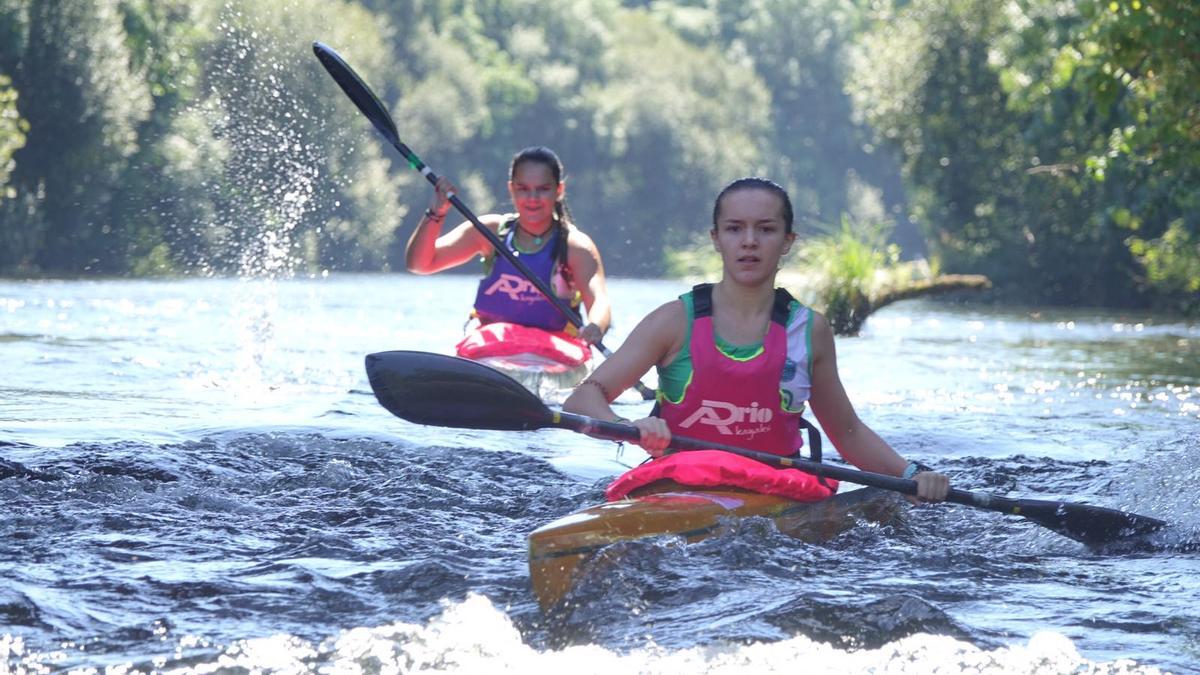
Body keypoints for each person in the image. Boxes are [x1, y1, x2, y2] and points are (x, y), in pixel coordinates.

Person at [563, 177, 950, 504]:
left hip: (775, 491)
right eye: (734, 229)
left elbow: (847, 433)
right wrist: (627, 424)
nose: (749, 241)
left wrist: (912, 474)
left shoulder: (809, 331)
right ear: (717, 239)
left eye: (765, 229)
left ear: (787, 241)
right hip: (677, 484)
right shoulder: (673, 321)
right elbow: (583, 397)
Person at [405, 146, 612, 346]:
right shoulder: (488, 232)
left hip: (553, 354)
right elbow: (420, 264)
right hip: (492, 350)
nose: (532, 198)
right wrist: (437, 212)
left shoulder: (575, 246)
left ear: (559, 190)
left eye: (543, 189)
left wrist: (595, 326)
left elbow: (599, 301)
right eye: (523, 189)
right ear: (511, 188)